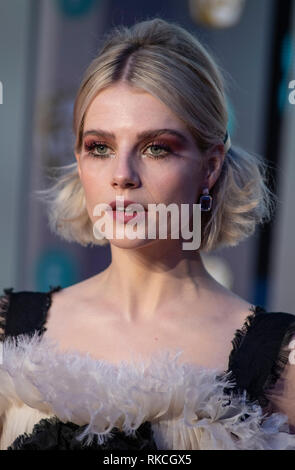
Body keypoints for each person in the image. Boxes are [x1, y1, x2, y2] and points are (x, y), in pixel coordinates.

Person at [1, 17, 295, 451]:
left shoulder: (281, 362)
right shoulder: (10, 331)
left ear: (210, 167)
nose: (122, 175)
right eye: (99, 147)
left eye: (156, 147)